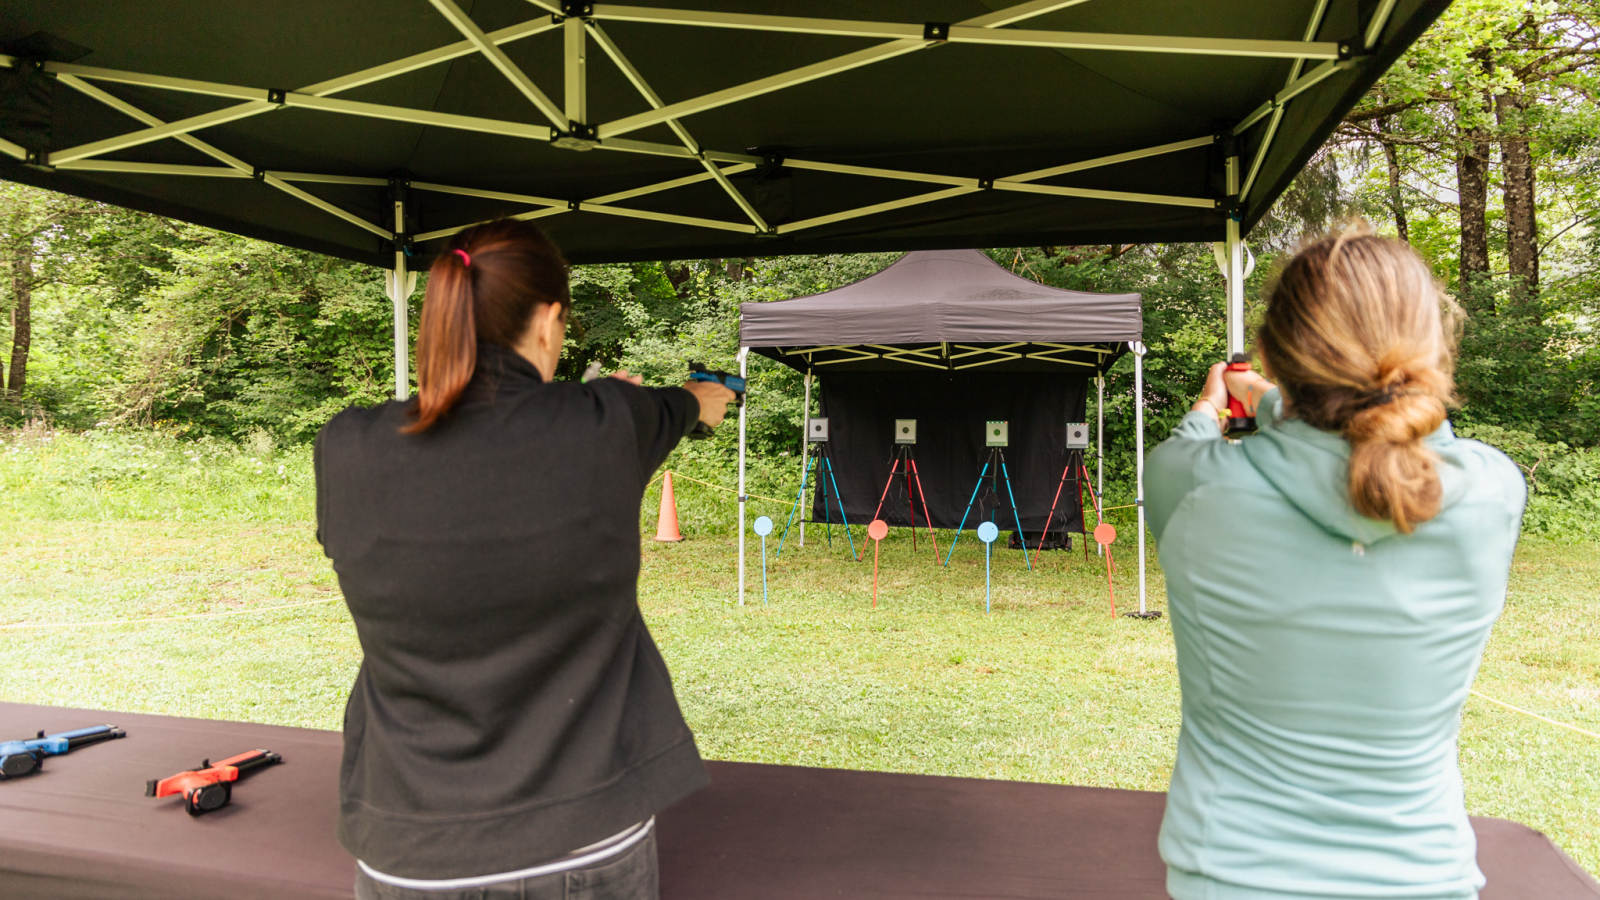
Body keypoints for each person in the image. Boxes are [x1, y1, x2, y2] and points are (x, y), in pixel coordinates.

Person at [314, 219, 736, 900]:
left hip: (406, 848)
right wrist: (685, 402)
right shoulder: (607, 422)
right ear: (548, 320)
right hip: (584, 839)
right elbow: (688, 405)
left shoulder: (346, 446)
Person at [1145, 228, 1527, 900]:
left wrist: (1222, 401)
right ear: (1432, 351)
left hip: (1229, 879)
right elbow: (1401, 443)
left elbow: (1196, 442)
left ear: (1272, 349)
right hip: (1427, 881)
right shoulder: (1492, 494)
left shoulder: (1192, 487)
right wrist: (1270, 395)